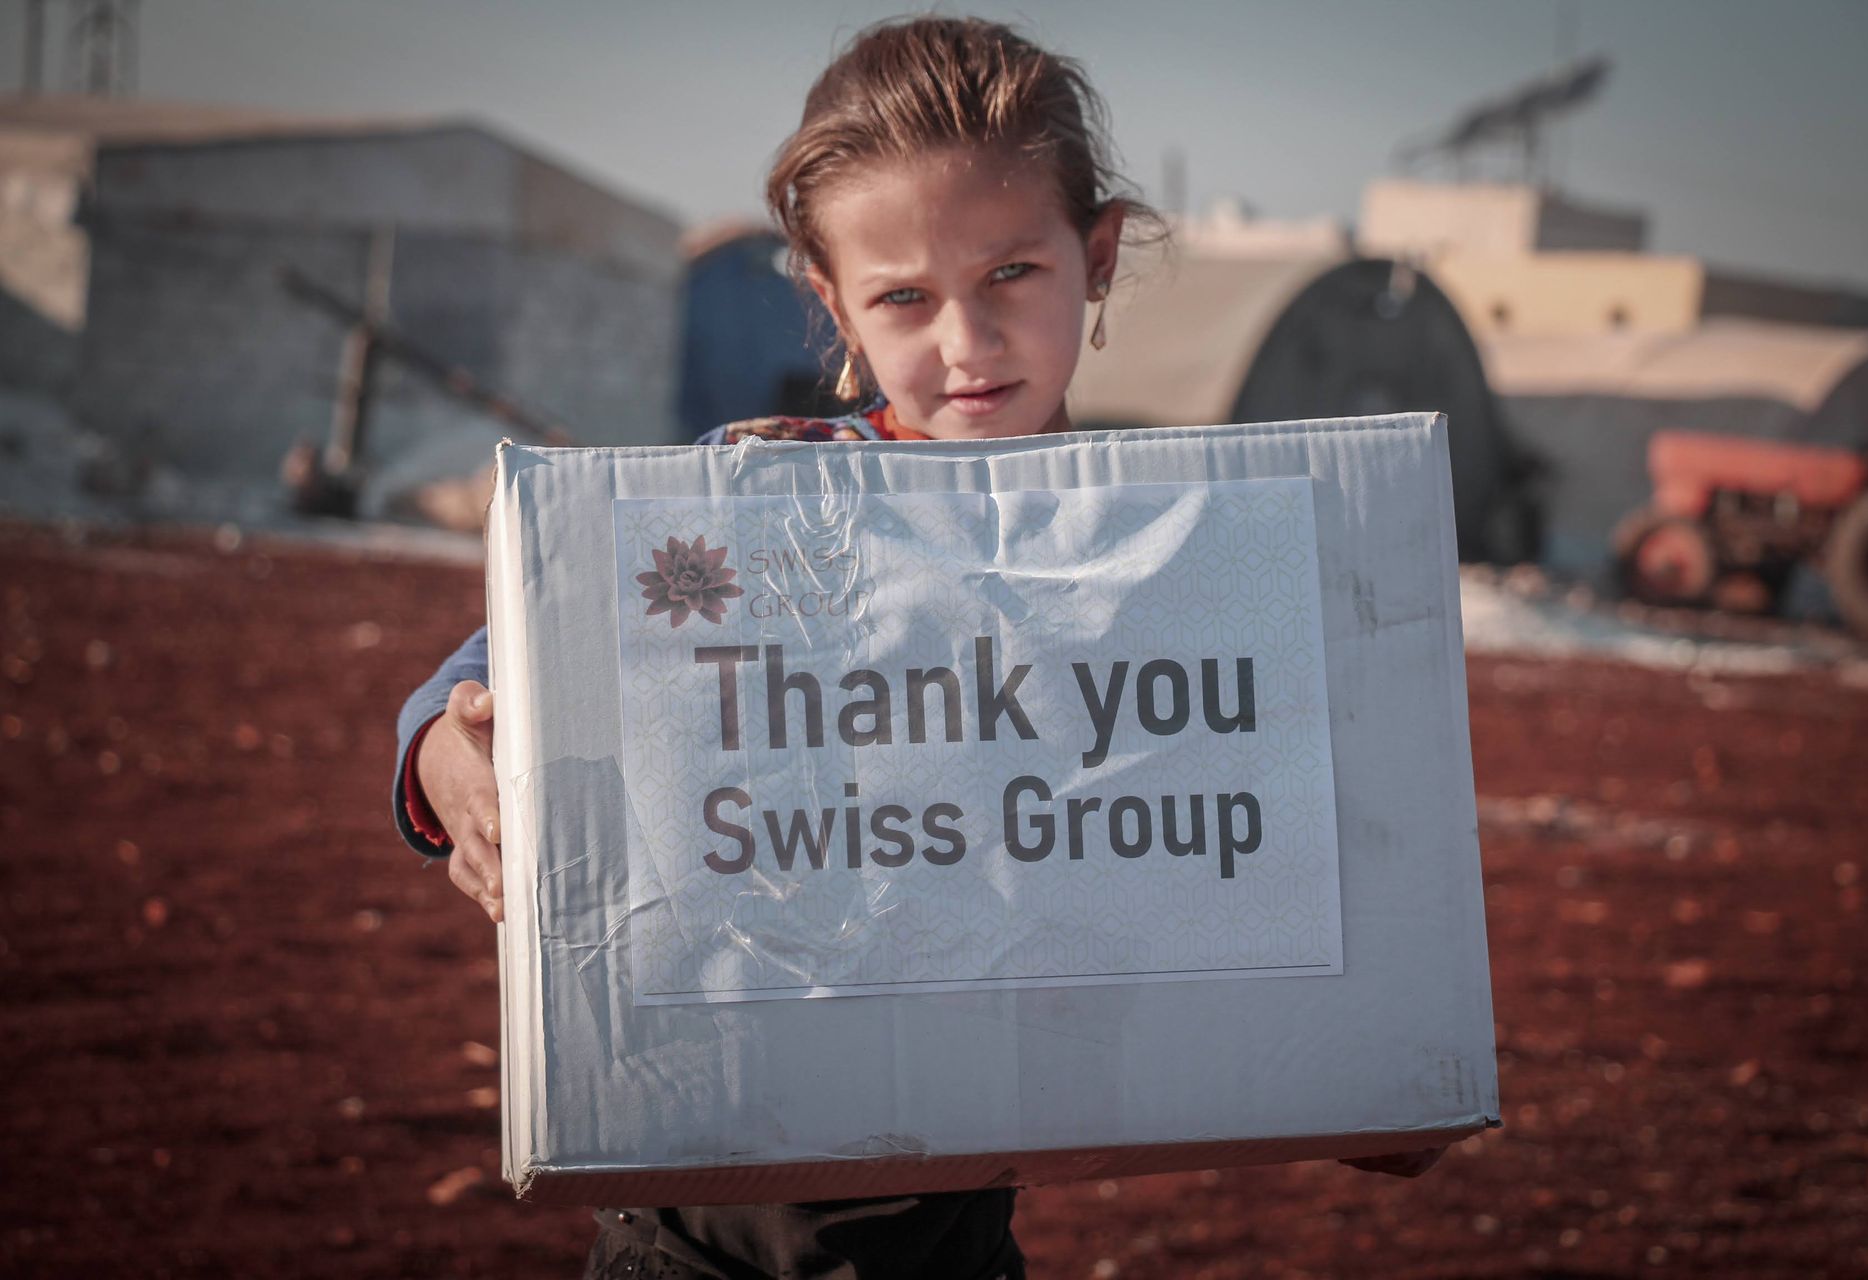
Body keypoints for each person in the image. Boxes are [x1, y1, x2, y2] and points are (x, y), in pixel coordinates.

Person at [393, 16, 1438, 1279]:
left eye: (1011, 273)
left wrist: (1374, 1044)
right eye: (905, 296)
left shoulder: (1183, 544)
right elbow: (493, 669)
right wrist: (448, 758)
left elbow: (1262, 822)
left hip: (953, 1244)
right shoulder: (753, 502)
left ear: (1097, 257)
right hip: (690, 1244)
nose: (966, 340)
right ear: (834, 303)